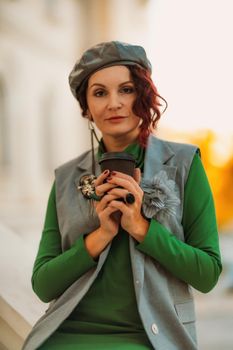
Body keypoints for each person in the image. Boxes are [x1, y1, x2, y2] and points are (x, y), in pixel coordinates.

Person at [22, 41, 222, 350]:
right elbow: (44, 285)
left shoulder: (184, 164)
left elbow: (207, 274)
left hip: (149, 336)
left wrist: (141, 228)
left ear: (143, 96)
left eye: (126, 90)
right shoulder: (65, 177)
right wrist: (100, 236)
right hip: (67, 332)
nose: (114, 103)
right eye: (100, 93)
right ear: (86, 107)